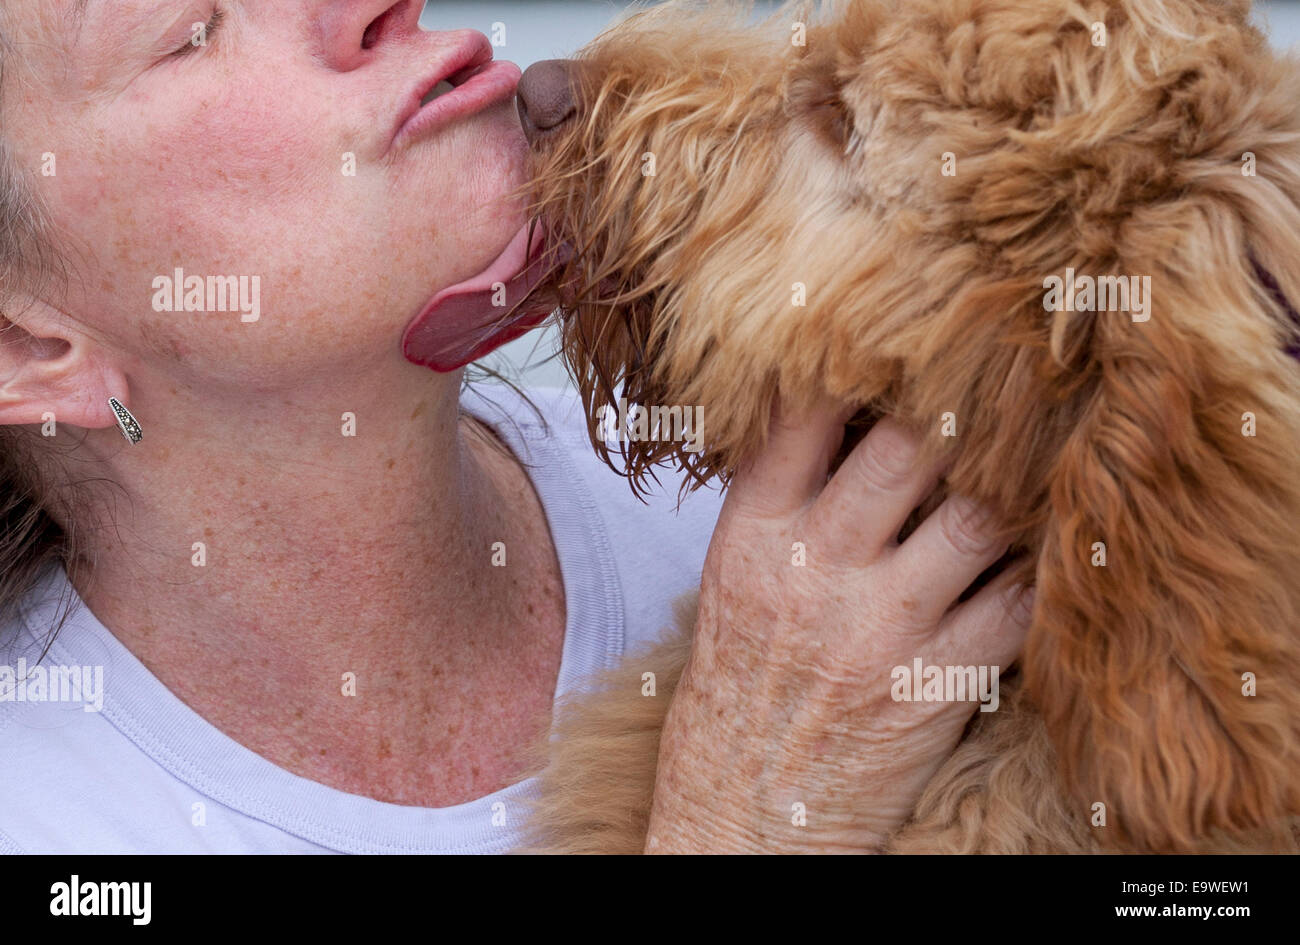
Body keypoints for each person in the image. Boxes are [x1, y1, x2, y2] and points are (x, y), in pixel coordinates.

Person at [0, 1, 1029, 854]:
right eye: (193, 31)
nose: (371, 9)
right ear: (29, 349)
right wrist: (740, 819)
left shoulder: (858, 496)